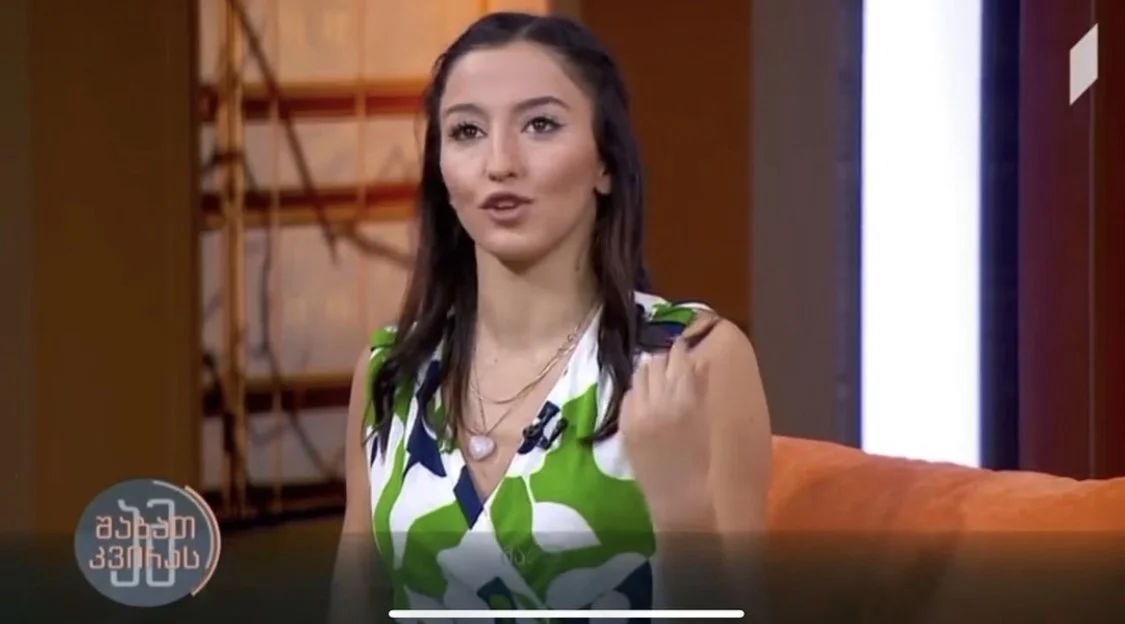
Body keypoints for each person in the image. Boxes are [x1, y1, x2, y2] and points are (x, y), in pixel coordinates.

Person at [330, 11, 771, 619]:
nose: (500, 163)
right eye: (466, 132)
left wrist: (681, 508)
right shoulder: (390, 376)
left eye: (540, 124)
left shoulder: (691, 359)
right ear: (440, 170)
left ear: (605, 164)